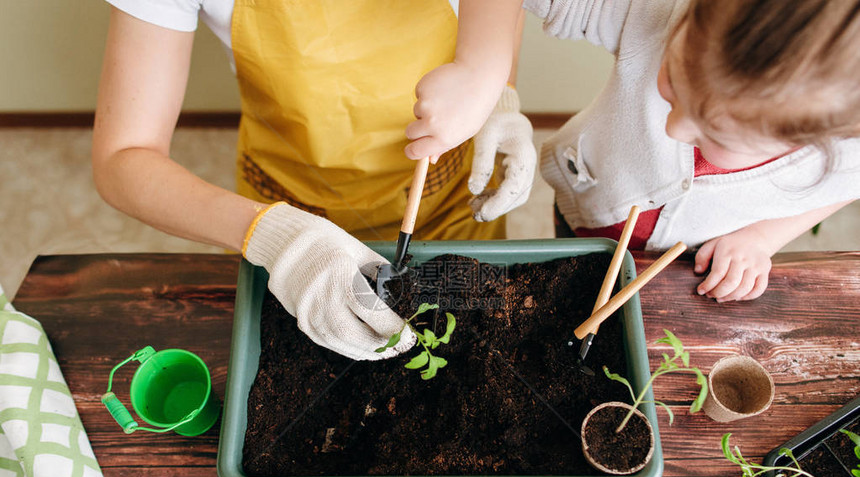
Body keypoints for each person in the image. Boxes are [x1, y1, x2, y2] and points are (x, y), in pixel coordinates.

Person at [91, 0, 535, 361]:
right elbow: (122, 159)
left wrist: (498, 93)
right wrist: (273, 235)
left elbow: (499, 14)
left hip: (448, 197)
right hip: (290, 198)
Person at [477, 0, 859, 303]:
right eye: (674, 81)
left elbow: (846, 186)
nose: (673, 128)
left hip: (685, 262)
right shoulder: (660, 10)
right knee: (573, 274)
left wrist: (763, 237)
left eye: (716, 135)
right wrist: (481, 73)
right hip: (585, 206)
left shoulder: (845, 151)